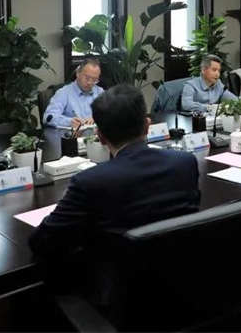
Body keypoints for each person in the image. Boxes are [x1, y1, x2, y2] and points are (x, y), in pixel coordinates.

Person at [29, 84, 201, 262]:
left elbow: (41, 242)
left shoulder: (90, 181)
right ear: (147, 126)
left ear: (100, 136)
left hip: (119, 277)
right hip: (180, 269)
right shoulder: (185, 163)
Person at [44, 59, 104, 128]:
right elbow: (47, 117)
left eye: (94, 80)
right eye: (87, 78)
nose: (89, 82)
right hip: (72, 134)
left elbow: (110, 114)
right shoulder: (64, 92)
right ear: (78, 73)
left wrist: (97, 118)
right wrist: (68, 122)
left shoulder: (100, 91)